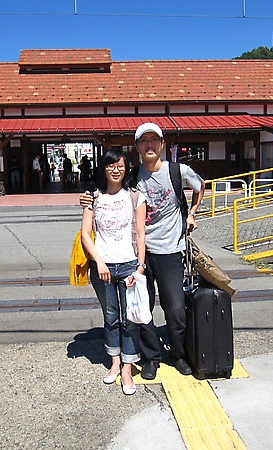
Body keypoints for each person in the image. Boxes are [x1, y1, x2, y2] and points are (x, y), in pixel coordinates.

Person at [80, 122, 205, 380]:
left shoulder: (177, 171)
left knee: (176, 308)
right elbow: (106, 189)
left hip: (171, 249)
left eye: (154, 140)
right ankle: (151, 357)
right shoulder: (133, 175)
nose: (149, 145)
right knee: (141, 309)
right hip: (138, 253)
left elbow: (201, 185)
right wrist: (87, 198)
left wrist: (192, 213)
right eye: (143, 141)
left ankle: (178, 354)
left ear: (162, 144)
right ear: (137, 147)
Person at [81, 148, 147, 395]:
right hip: (103, 267)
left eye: (120, 165)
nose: (115, 169)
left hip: (129, 263)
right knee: (110, 317)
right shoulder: (93, 198)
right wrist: (99, 262)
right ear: (104, 168)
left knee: (130, 319)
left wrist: (140, 266)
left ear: (126, 167)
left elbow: (141, 233)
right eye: (111, 165)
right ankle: (115, 363)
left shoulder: (135, 197)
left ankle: (128, 368)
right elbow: (86, 234)